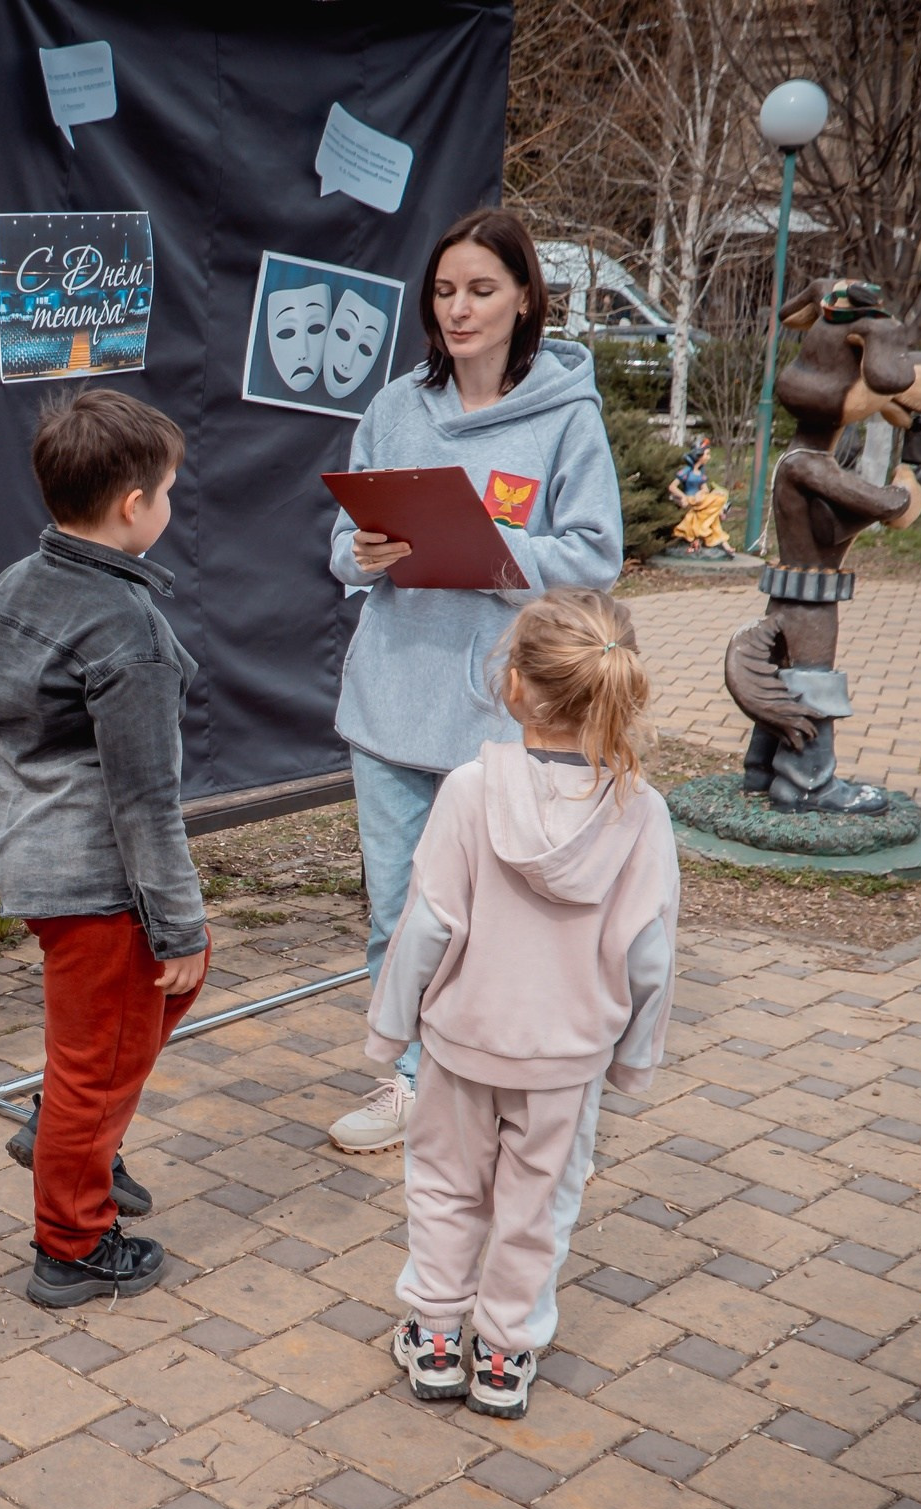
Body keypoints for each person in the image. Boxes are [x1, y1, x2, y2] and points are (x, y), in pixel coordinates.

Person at [325, 207, 625, 1155]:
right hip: (388, 698)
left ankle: (500, 1071)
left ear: (525, 298)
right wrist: (365, 551)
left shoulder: (568, 417)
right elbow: (342, 545)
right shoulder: (395, 407)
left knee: (497, 910)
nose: (459, 309)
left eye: (481, 290)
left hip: (504, 712)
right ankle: (407, 1078)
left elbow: (595, 556)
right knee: (398, 907)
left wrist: (489, 548)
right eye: (445, 291)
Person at [368, 589, 680, 1420]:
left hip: (463, 1043)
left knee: (443, 1184)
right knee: (538, 1202)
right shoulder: (640, 811)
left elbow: (427, 921)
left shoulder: (470, 790)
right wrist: (636, 1057)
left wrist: (389, 1030)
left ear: (513, 684)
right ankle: (504, 1353)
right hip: (567, 1060)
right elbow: (650, 947)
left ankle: (435, 1336)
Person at [0, 390, 207, 1308]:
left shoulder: (12, 585)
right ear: (132, 507)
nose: (170, 506)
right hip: (93, 879)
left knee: (124, 1025)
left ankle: (70, 1127)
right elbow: (145, 801)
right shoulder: (128, 630)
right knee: (99, 1052)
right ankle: (70, 1242)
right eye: (170, 492)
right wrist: (177, 920)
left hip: (34, 860)